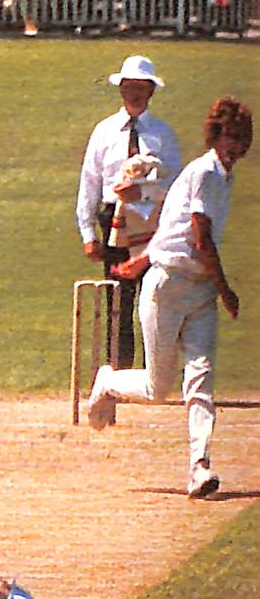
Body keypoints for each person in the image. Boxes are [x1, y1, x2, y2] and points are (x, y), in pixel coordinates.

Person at [86, 96, 253, 499]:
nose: (233, 145)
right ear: (215, 137)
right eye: (227, 137)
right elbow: (199, 236)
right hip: (169, 286)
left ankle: (200, 469)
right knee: (158, 388)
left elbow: (172, 228)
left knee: (201, 379)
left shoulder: (224, 176)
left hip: (198, 289)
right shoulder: (204, 173)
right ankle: (108, 380)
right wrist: (226, 288)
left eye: (240, 138)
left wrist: (141, 260)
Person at [76, 55, 182, 367]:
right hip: (114, 220)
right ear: (121, 89)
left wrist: (145, 192)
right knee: (117, 300)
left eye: (141, 87)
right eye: (129, 86)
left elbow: (177, 184)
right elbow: (90, 182)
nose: (134, 93)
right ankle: (119, 370)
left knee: (153, 297)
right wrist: (87, 233)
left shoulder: (162, 134)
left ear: (151, 91)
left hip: (151, 220)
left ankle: (154, 373)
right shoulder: (105, 131)